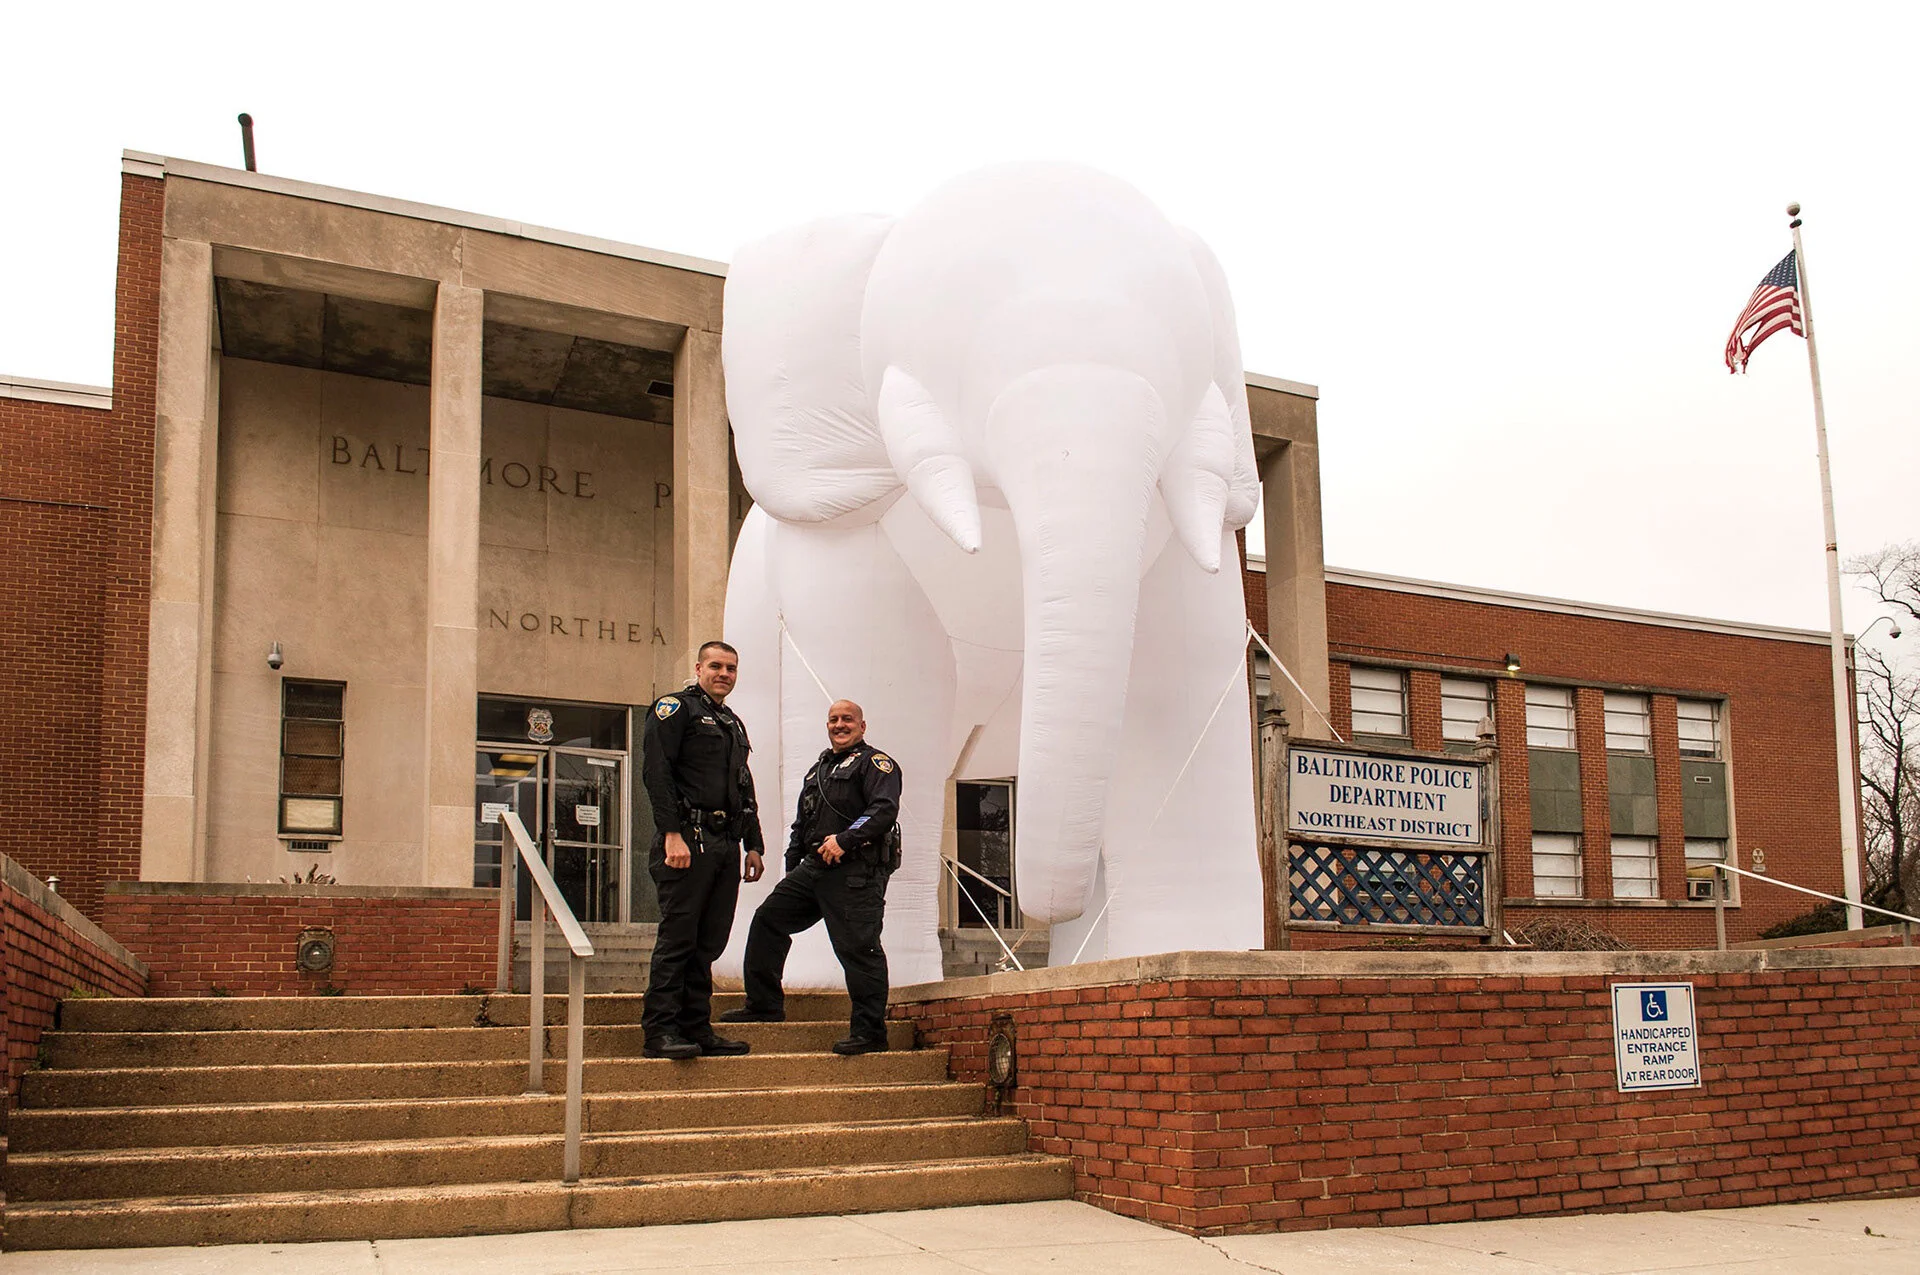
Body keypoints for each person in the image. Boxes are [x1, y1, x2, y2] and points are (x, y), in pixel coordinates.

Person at [722, 699, 902, 1055]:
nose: (839, 725)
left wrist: (846, 840)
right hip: (814, 869)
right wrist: (793, 869)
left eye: (847, 719)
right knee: (767, 921)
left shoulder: (876, 764)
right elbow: (801, 826)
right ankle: (764, 1006)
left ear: (862, 726)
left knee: (859, 949)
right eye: (833, 719)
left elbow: (883, 810)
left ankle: (869, 1033)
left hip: (856, 872)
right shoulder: (817, 770)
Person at [639, 641, 766, 1059]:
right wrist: (671, 833)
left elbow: (742, 787)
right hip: (687, 839)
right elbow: (657, 774)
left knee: (708, 941)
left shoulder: (731, 722)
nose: (724, 673)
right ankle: (660, 1031)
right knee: (679, 938)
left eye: (731, 667)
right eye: (715, 665)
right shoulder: (675, 709)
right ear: (698, 667)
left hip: (725, 843)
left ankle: (696, 1027)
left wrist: (754, 843)